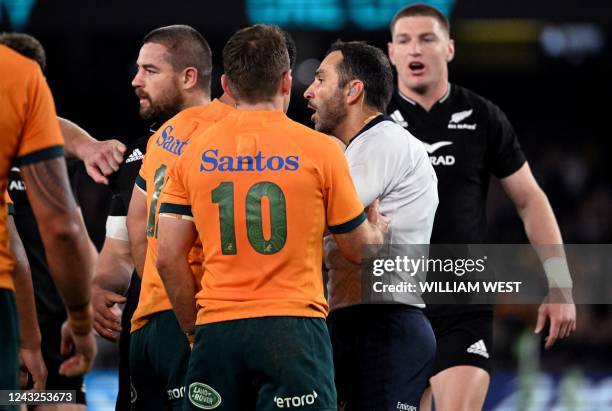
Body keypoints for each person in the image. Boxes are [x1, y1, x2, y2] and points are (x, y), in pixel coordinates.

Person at [156, 24, 389, 411]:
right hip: (294, 329)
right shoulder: (322, 150)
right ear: (286, 81)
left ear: (227, 85)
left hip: (218, 329)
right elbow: (358, 250)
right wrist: (377, 232)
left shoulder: (192, 153)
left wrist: (194, 330)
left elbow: (167, 257)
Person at [386, 4, 577, 410]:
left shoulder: (483, 116)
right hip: (392, 297)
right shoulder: (373, 119)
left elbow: (530, 201)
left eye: (427, 39)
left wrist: (560, 283)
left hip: (462, 296)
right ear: (391, 52)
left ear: (449, 48)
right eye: (404, 40)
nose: (415, 49)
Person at [304, 40, 438, 410]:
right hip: (360, 322)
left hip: (381, 324)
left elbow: (314, 215)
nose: (308, 91)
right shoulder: (355, 148)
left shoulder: (380, 140)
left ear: (353, 90)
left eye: (320, 79)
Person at [0, 32, 124, 410]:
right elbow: (47, 237)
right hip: (19, 328)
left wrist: (95, 292)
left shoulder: (48, 155)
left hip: (51, 340)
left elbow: (77, 239)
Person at [122, 25, 235, 411]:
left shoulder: (163, 136)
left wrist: (153, 283)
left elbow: (137, 222)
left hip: (146, 321)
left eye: (150, 70)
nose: (136, 80)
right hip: (195, 316)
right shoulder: (227, 132)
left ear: (189, 76)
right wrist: (191, 324)